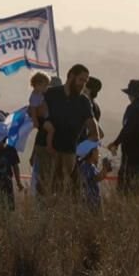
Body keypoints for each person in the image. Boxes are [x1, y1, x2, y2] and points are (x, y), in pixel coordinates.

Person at [34, 64, 99, 196]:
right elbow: (35, 115)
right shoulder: (50, 94)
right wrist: (44, 124)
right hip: (47, 151)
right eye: (81, 79)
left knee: (63, 193)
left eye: (85, 81)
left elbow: (94, 132)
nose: (83, 84)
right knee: (44, 192)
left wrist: (79, 150)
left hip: (68, 154)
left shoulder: (83, 102)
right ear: (71, 76)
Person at [107, 80, 139, 192]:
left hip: (131, 157)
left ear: (130, 94)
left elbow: (127, 129)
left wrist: (115, 143)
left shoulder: (132, 108)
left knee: (125, 189)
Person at [77, 140, 111, 211]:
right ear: (91, 153)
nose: (98, 153)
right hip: (90, 201)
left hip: (95, 199)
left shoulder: (92, 166)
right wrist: (105, 168)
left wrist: (105, 169)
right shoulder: (85, 167)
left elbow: (99, 177)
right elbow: (95, 179)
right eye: (96, 150)